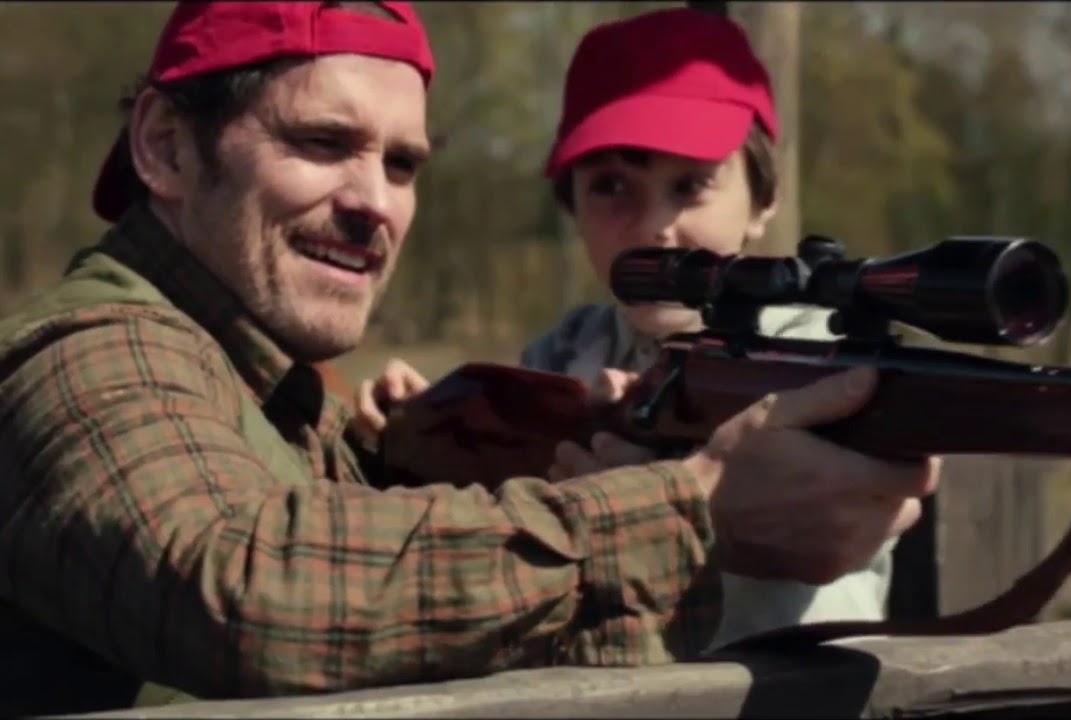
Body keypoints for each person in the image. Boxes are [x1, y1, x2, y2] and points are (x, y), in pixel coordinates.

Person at [0, 1, 937, 715]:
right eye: (323, 143)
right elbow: (248, 595)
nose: (376, 204)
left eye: (402, 165)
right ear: (165, 147)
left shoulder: (270, 383)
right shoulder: (85, 352)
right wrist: (692, 506)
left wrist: (424, 456)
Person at [354, 7, 899, 650]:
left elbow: (841, 519)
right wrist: (436, 430)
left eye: (690, 185)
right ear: (571, 206)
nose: (653, 227)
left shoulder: (815, 357)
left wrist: (651, 495)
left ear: (763, 199)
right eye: (612, 186)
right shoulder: (564, 353)